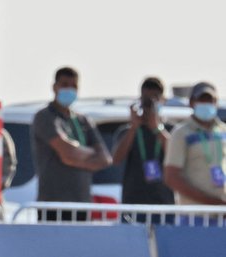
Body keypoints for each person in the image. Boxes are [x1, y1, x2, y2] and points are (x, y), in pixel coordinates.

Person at [31, 67, 112, 221]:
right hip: (53, 205)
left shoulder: (83, 120)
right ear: (54, 87)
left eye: (73, 86)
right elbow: (67, 153)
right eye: (65, 84)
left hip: (81, 203)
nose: (69, 89)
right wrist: (90, 153)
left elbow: (105, 159)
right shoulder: (45, 117)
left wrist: (77, 155)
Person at [112, 77, 175, 223]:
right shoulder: (127, 131)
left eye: (154, 100)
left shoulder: (170, 130)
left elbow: (174, 154)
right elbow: (116, 159)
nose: (149, 105)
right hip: (133, 205)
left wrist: (156, 128)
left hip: (164, 204)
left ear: (162, 101)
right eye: (146, 100)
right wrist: (134, 127)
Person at [164, 81, 226, 224]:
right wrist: (212, 203)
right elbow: (171, 177)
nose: (206, 104)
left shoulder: (223, 130)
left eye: (210, 100)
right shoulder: (181, 133)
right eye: (201, 100)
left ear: (216, 102)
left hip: (223, 215)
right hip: (194, 217)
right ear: (192, 102)